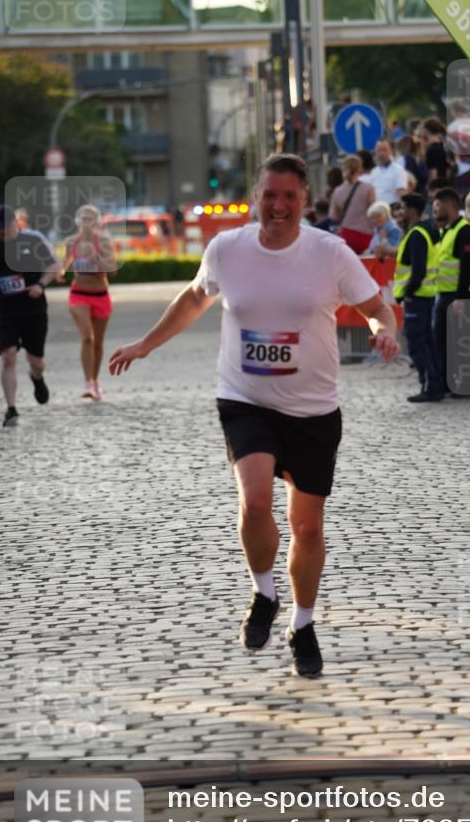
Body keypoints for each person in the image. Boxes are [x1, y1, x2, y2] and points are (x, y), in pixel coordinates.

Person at [108, 154, 400, 677]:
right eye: (270, 195)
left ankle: (303, 625)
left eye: (289, 196)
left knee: (307, 528)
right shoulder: (227, 249)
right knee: (256, 499)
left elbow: (376, 307)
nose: (279, 205)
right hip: (245, 398)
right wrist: (146, 344)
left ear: (304, 201)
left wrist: (385, 329)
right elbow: (196, 298)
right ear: (256, 196)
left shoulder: (330, 254)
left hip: (312, 408)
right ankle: (263, 593)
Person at [0, 204, 58, 427]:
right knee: (8, 355)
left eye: (6, 229)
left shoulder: (33, 239)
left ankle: (37, 377)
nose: (2, 233)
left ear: (16, 224)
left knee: (36, 360)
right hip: (5, 308)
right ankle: (11, 409)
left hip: (33, 307)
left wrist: (41, 284)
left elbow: (54, 265)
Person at [60, 204, 117, 401]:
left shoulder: (103, 242)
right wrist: (59, 272)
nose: (86, 223)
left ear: (97, 222)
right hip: (78, 294)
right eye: (83, 219)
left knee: (98, 343)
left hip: (101, 295)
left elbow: (112, 270)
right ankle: (86, 383)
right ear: (77, 221)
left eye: (90, 219)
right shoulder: (71, 242)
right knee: (87, 337)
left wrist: (96, 258)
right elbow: (65, 262)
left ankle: (95, 381)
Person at [392, 193, 441, 403]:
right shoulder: (426, 230)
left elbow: (418, 270)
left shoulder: (417, 234)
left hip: (418, 298)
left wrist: (407, 293)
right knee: (427, 343)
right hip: (426, 296)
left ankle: (429, 386)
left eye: (403, 207)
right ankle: (433, 385)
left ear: (412, 209)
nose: (400, 213)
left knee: (417, 344)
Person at [432, 186, 470, 397]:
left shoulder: (464, 230)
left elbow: (467, 266)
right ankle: (447, 382)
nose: (435, 210)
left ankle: (466, 385)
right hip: (445, 294)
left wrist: (460, 298)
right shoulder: (447, 230)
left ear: (451, 206)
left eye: (438, 205)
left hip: (461, 295)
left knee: (462, 341)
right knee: (442, 340)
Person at [329, 155, 375, 255]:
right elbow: (374, 213)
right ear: (360, 169)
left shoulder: (337, 191)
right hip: (365, 235)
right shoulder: (368, 188)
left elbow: (333, 216)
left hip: (346, 235)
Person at [368, 140, 407, 206]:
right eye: (379, 150)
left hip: (392, 209)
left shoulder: (398, 170)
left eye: (384, 150)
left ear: (390, 152)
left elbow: (402, 192)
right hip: (376, 209)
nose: (381, 153)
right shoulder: (373, 172)